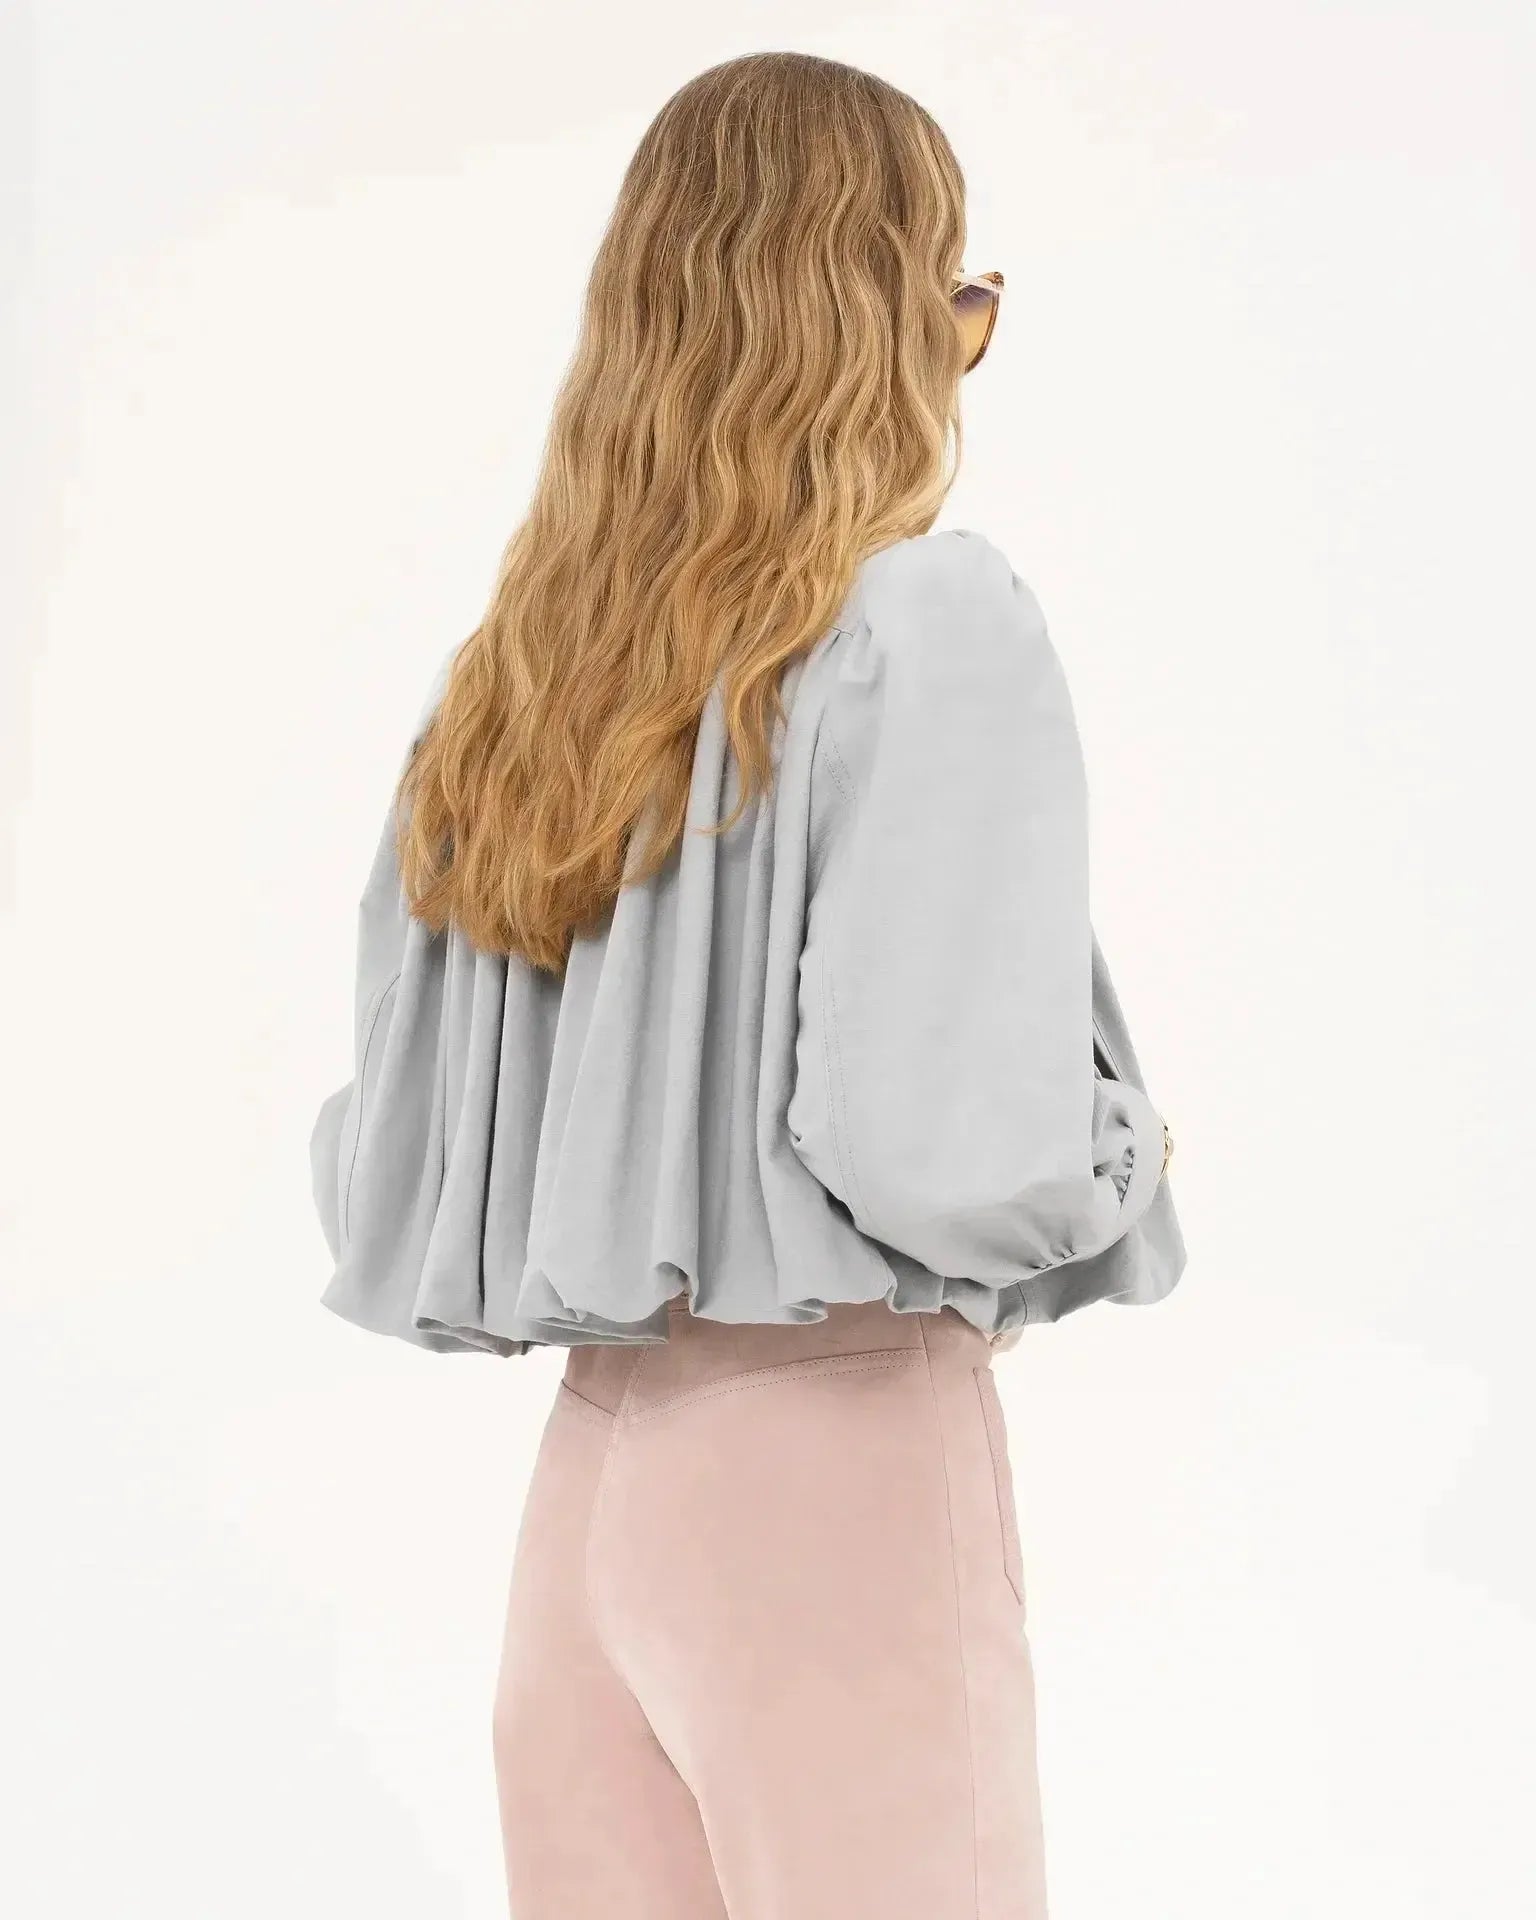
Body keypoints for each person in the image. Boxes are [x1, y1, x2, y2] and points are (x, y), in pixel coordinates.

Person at [308, 49, 1185, 1920]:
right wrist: (1124, 1156)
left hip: (587, 1497)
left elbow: (381, 1165)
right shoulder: (921, 623)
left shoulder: (521, 683)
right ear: (884, 321)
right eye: (959, 300)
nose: (966, 350)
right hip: (836, 1477)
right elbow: (950, 1154)